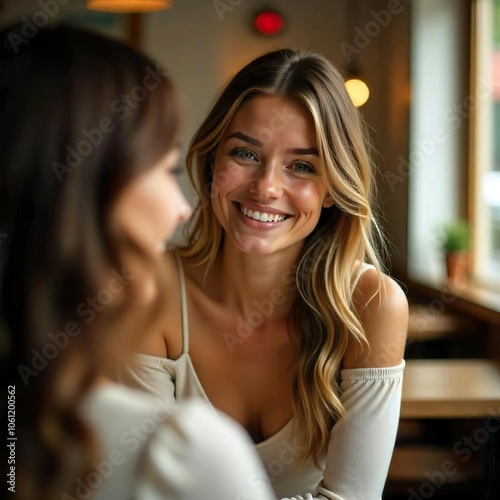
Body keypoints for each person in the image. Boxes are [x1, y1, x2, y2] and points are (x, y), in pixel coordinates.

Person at [0, 23, 276, 500]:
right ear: (85, 197)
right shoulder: (181, 454)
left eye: (302, 164)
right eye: (166, 169)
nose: (181, 207)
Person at [121, 48, 409, 500]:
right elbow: (140, 489)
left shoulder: (373, 305)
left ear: (332, 188)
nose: (266, 187)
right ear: (212, 162)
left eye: (301, 166)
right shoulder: (148, 289)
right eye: (245, 153)